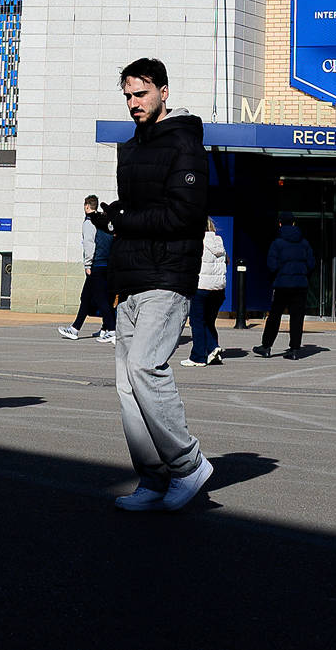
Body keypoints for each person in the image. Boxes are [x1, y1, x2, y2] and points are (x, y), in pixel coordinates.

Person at [106, 58, 213, 512]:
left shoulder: (185, 145)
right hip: (131, 277)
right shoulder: (129, 148)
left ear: (164, 92)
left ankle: (188, 465)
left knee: (145, 368)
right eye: (128, 95)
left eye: (142, 93)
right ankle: (152, 478)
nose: (134, 103)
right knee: (127, 385)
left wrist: (123, 219)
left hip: (168, 276)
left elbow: (185, 215)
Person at [61, 195, 114, 340]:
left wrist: (88, 264)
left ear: (86, 206)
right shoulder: (104, 221)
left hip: (96, 264)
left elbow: (89, 244)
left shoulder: (89, 222)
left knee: (100, 298)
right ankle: (78, 328)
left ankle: (112, 329)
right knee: (88, 297)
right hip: (107, 264)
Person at [257, 220, 314, 357]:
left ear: (280, 224)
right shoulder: (304, 243)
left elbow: (271, 265)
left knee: (275, 316)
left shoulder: (277, 243)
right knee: (297, 317)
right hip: (300, 285)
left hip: (282, 284)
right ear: (294, 223)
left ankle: (266, 346)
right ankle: (294, 349)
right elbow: (311, 264)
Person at [186, 218, 229, 366]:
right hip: (218, 289)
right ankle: (213, 349)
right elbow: (227, 262)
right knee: (209, 321)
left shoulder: (197, 242)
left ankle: (198, 356)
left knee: (197, 321)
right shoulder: (219, 242)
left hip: (201, 287)